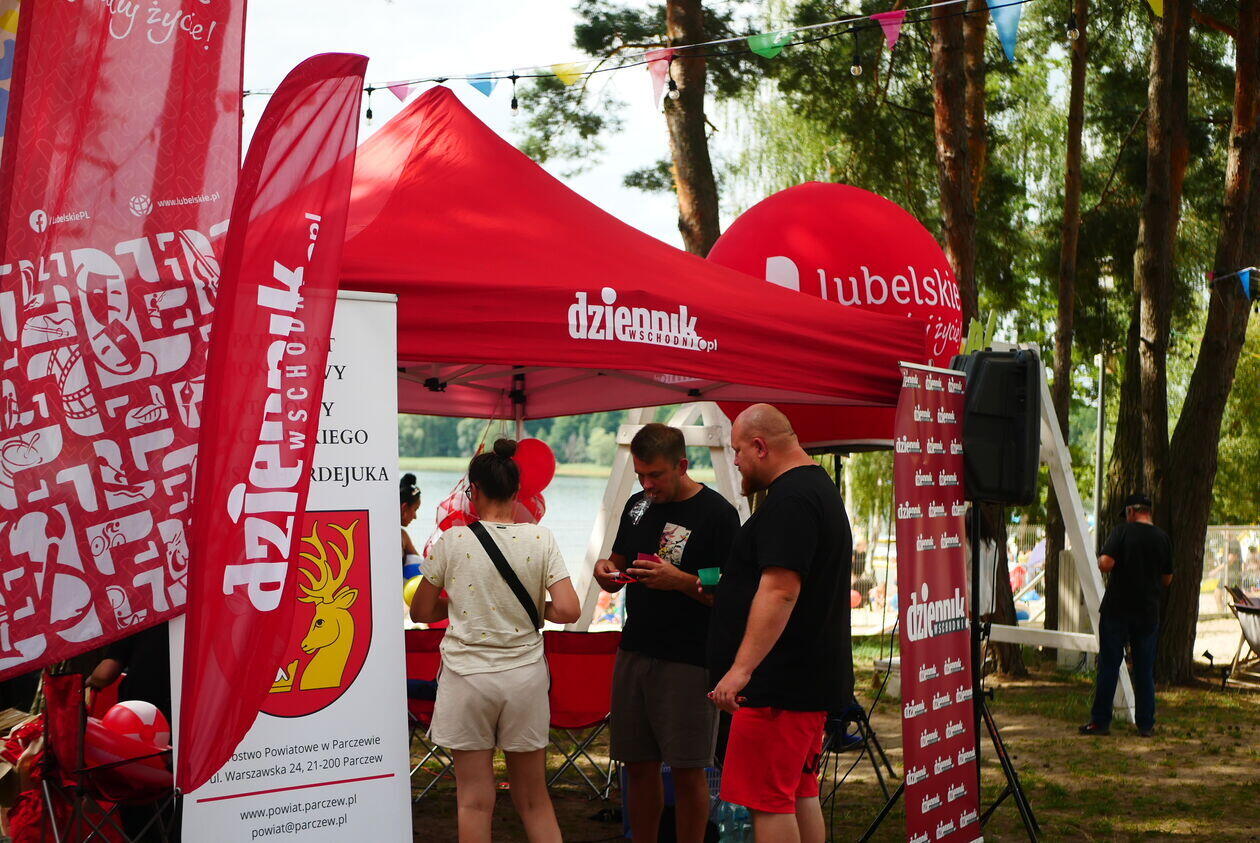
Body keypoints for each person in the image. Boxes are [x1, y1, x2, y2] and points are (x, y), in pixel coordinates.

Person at [410, 439, 580, 843]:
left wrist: (459, 605)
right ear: (518, 491)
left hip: (467, 679)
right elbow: (569, 610)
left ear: (474, 491)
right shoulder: (541, 539)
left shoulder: (452, 541)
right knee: (534, 799)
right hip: (524, 680)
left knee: (473, 800)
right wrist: (536, 610)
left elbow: (421, 611)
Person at [708, 405, 852, 843]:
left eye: (738, 451)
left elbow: (780, 591)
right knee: (798, 792)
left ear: (760, 446)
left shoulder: (791, 501)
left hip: (779, 688)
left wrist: (740, 670)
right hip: (804, 681)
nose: (735, 461)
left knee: (767, 800)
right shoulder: (815, 488)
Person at [592, 423, 739, 843]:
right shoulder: (638, 505)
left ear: (682, 465)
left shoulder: (716, 514)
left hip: (689, 660)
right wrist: (606, 571)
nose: (647, 484)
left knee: (689, 771)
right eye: (640, 474)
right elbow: (618, 562)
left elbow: (729, 595)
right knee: (637, 766)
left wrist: (679, 581)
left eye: (655, 474)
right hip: (635, 650)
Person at [1079, 493, 1172, 738]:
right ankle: (1145, 724)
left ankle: (1100, 722)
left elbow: (1106, 563)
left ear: (1131, 511)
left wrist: (1107, 558)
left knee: (1109, 665)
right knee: (1144, 670)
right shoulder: (1162, 538)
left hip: (1117, 609)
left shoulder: (1122, 532)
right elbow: (1167, 578)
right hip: (1148, 612)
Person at [401, 472, 422, 573]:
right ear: (404, 507)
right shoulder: (401, 536)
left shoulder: (403, 536)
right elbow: (425, 569)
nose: (415, 517)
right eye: (415, 509)